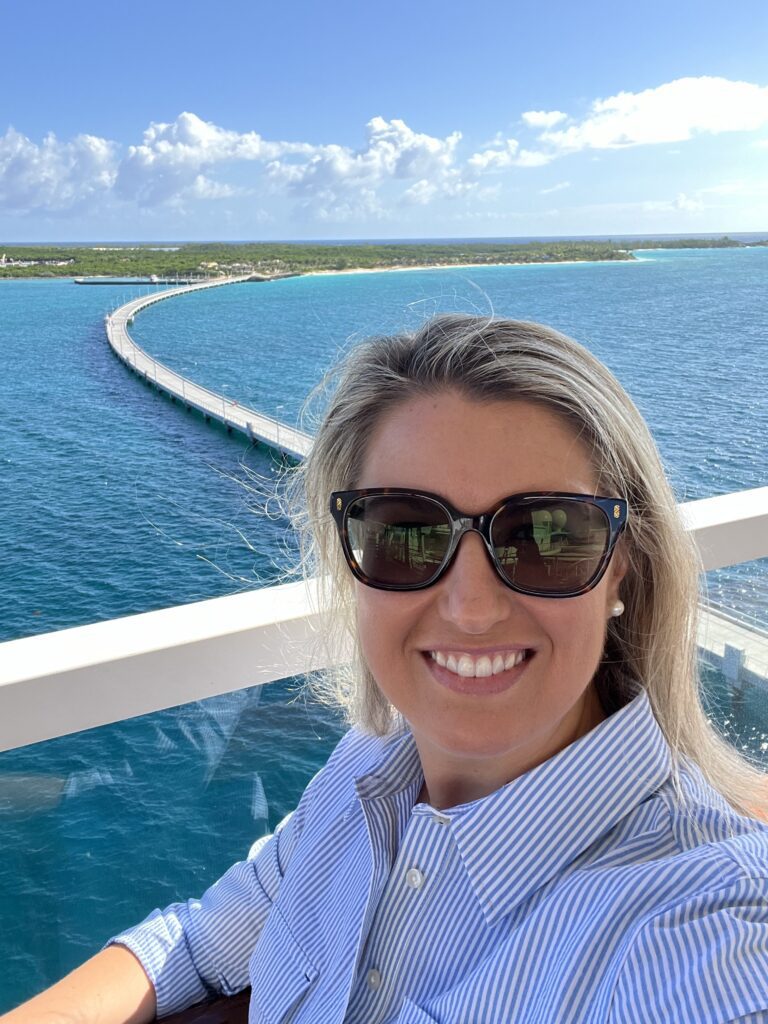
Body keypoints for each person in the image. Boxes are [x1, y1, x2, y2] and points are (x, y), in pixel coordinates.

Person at [5, 314, 768, 1023]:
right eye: (407, 532)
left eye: (544, 535)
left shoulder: (704, 924)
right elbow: (201, 942)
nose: (471, 607)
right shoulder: (363, 771)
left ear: (622, 570)